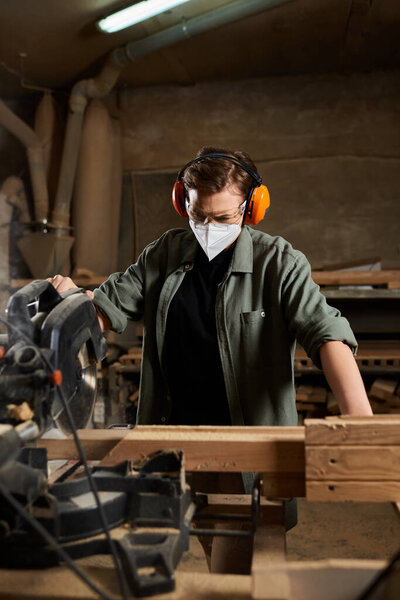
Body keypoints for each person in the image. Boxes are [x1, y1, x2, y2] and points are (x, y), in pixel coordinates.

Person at [50, 147, 372, 572]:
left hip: (248, 451)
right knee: (197, 539)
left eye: (223, 219)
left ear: (253, 207)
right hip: (177, 439)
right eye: (199, 216)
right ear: (182, 201)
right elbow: (108, 308)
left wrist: (361, 424)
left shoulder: (279, 263)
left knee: (238, 565)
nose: (209, 228)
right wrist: (70, 304)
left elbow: (326, 332)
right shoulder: (165, 253)